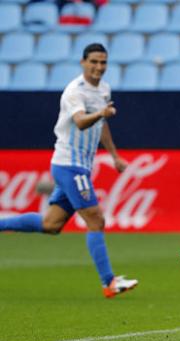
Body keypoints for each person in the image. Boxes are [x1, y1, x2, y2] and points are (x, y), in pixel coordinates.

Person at [0, 43, 137, 299]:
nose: (99, 67)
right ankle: (109, 282)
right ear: (83, 62)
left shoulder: (104, 89)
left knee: (51, 224)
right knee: (95, 219)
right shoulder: (74, 91)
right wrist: (101, 113)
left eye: (103, 63)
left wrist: (115, 155)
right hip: (68, 165)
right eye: (94, 62)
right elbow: (81, 121)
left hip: (80, 165)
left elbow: (101, 125)